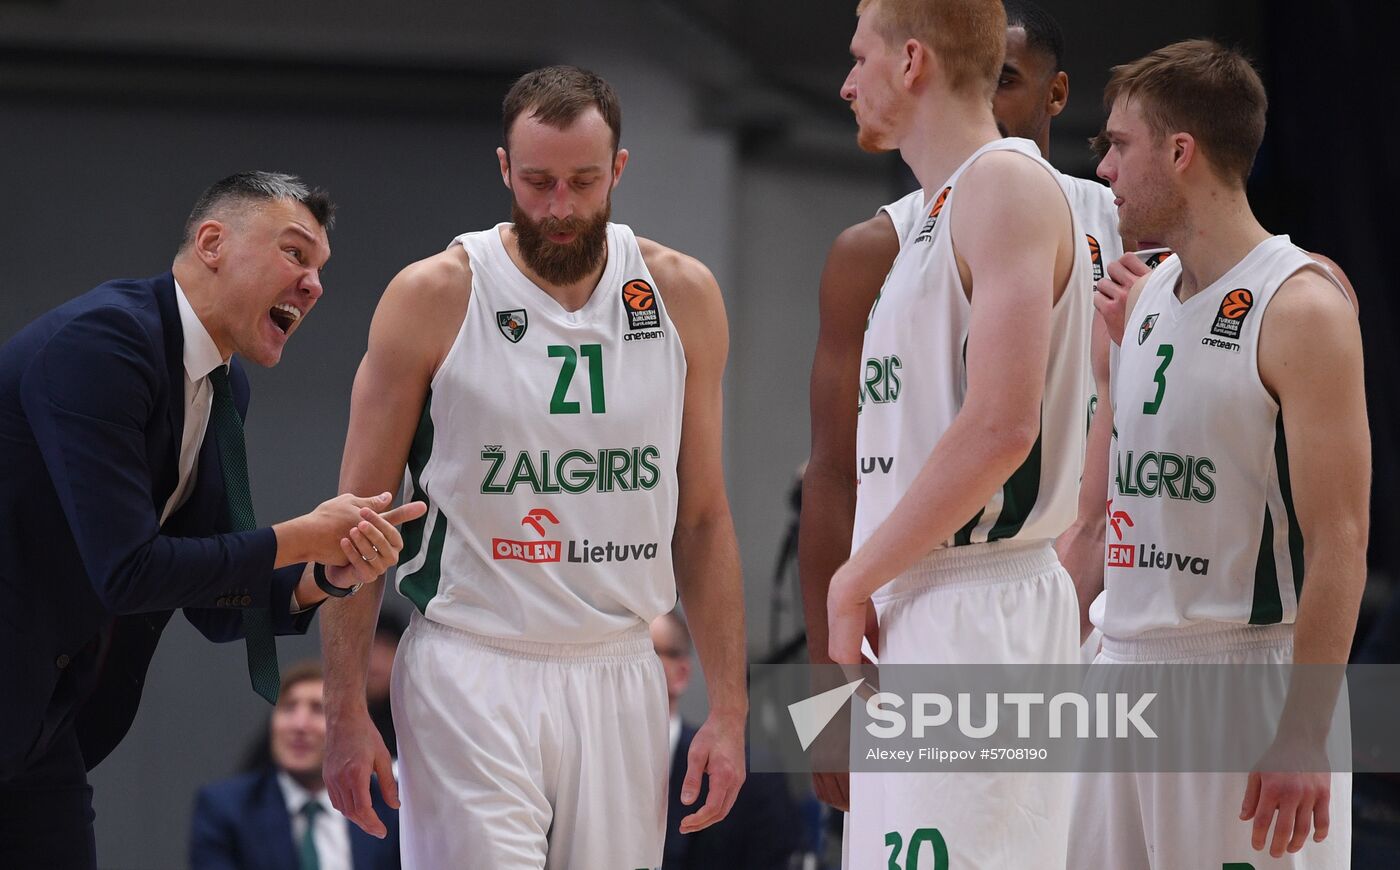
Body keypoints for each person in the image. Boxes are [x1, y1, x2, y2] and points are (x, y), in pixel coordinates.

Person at [318, 66, 748, 869]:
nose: (559, 206)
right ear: (504, 170)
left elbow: (703, 517)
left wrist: (730, 709)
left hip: (621, 667)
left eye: (582, 181)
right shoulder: (433, 296)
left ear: (618, 169)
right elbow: (358, 517)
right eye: (539, 181)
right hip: (470, 664)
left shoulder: (682, 295)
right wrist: (345, 708)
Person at [0, 171, 424, 869]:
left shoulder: (223, 386)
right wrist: (299, 535)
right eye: (294, 254)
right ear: (212, 243)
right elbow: (128, 573)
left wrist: (322, 573)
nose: (313, 284)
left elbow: (213, 598)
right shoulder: (103, 345)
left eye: (320, 269)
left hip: (39, 723)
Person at [800, 4, 1121, 799]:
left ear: (912, 62)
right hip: (914, 598)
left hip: (980, 600)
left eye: (859, 58)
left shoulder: (1004, 183)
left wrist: (850, 584)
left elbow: (1002, 429)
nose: (845, 84)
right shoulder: (921, 220)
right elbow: (840, 469)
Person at [1068, 40, 1366, 868]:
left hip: (1241, 677)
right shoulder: (1142, 300)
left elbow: (1341, 536)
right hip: (1121, 670)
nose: (1106, 172)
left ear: (1180, 151)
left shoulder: (1300, 303)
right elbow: (1104, 514)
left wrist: (1304, 731)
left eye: (1119, 146)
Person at [190, 661, 401, 870]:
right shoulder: (227, 809)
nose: (299, 725)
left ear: (354, 729)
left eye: (318, 709)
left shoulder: (390, 809)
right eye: (288, 708)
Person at [650, 611, 802, 869]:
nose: (622, 668)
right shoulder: (578, 766)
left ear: (681, 673)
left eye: (646, 653)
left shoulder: (754, 781)